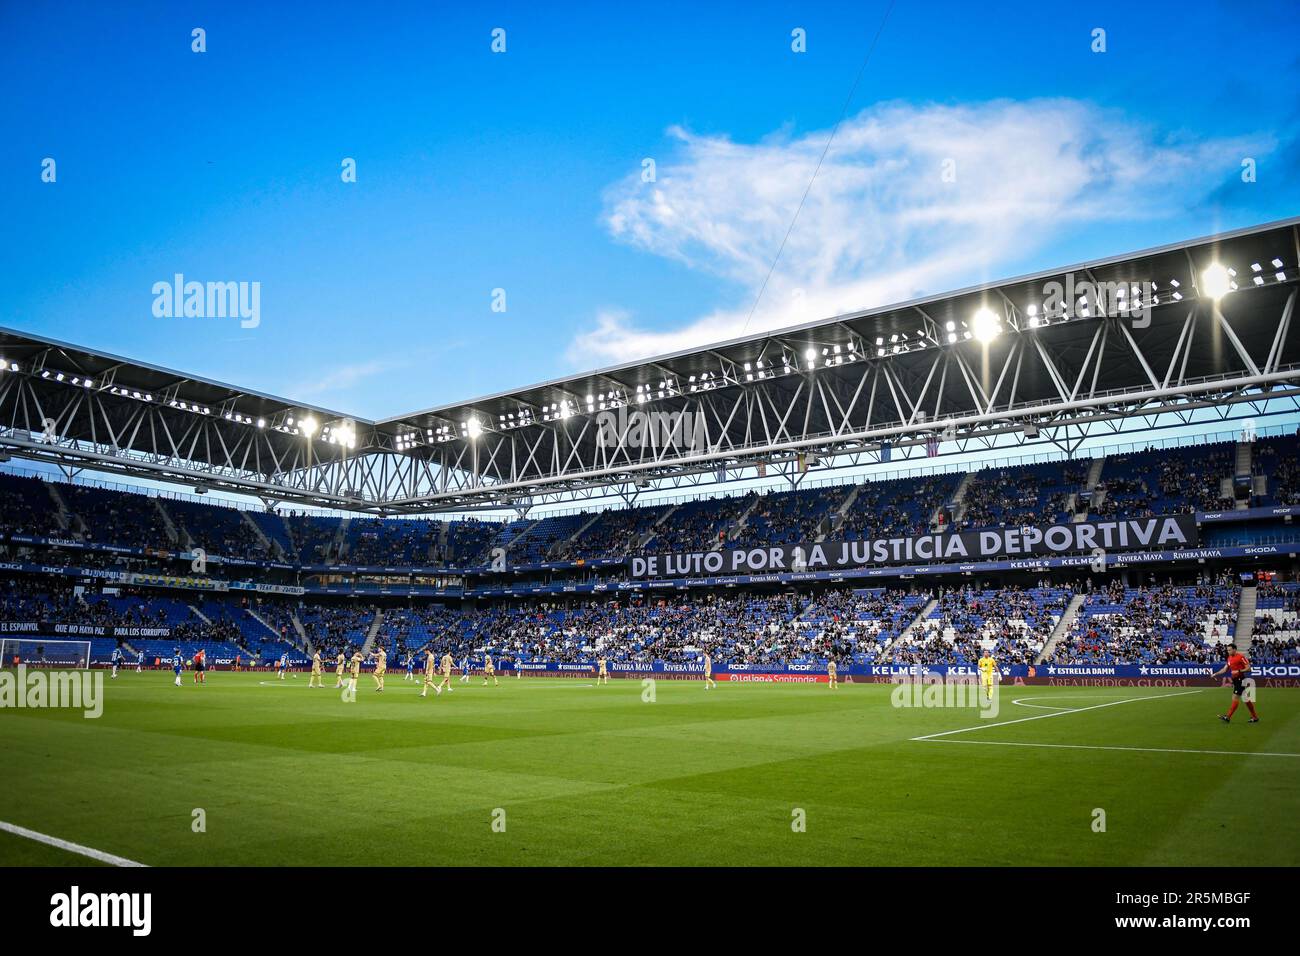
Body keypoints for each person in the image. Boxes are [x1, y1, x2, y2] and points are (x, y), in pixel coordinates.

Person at [1212, 643, 1260, 723]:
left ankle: (1228, 717)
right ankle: (1255, 717)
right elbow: (1225, 669)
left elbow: (1249, 668)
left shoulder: (1240, 657)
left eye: (1229, 650)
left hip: (1240, 679)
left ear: (1234, 649)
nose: (1228, 651)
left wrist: (1238, 671)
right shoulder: (1229, 658)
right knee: (1246, 699)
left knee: (1235, 697)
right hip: (1235, 680)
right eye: (1227, 650)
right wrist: (1215, 674)